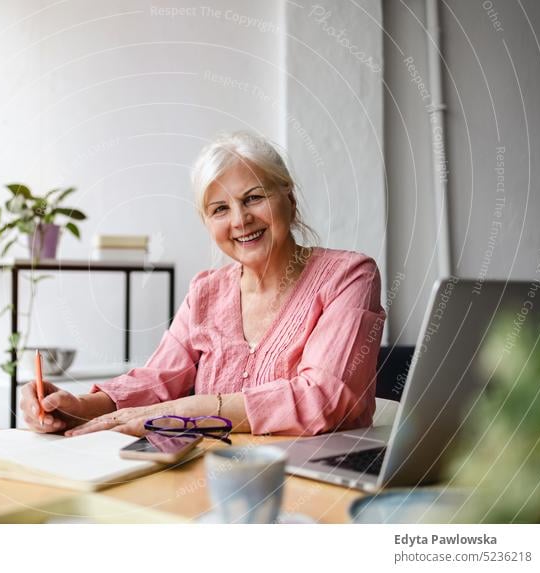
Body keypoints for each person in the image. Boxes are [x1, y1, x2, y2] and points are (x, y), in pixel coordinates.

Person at [20, 131, 386, 438]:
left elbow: (323, 400)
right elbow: (159, 379)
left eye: (254, 197)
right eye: (220, 209)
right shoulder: (205, 292)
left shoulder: (349, 276)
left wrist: (190, 410)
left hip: (318, 478)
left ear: (288, 197)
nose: (240, 220)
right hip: (213, 476)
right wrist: (81, 408)